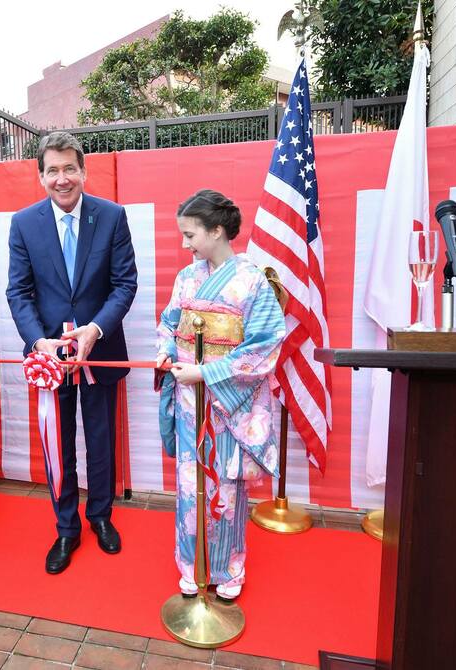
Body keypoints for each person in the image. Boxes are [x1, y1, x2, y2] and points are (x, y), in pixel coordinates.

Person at [6, 132, 138, 574]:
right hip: (49, 356)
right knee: (57, 446)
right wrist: (36, 340)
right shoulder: (23, 223)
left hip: (98, 351)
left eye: (69, 169)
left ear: (83, 170)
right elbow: (18, 292)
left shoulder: (112, 217)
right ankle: (66, 528)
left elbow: (125, 284)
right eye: (52, 171)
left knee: (101, 440)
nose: (62, 179)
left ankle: (100, 516)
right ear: (40, 175)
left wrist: (96, 329)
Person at [156, 189, 285, 600]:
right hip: (188, 399)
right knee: (189, 484)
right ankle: (191, 564)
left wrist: (206, 371)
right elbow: (169, 321)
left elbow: (265, 344)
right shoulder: (187, 277)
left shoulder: (251, 281)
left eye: (190, 234)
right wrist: (164, 348)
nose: (185, 243)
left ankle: (229, 569)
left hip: (228, 403)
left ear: (216, 231)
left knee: (225, 486)